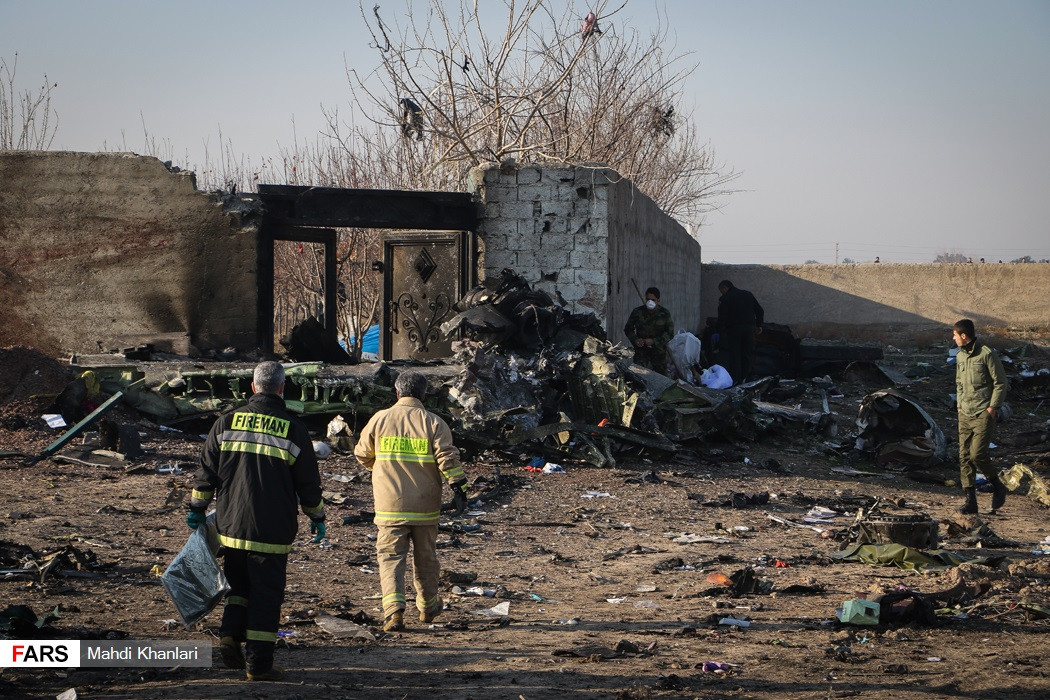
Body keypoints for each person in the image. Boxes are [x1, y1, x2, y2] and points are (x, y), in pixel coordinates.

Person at [187, 361, 325, 681]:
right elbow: (308, 484)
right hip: (272, 531)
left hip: (231, 526)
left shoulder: (226, 422)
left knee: (238, 586)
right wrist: (316, 516)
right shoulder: (293, 429)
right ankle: (258, 665)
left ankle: (229, 637)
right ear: (281, 388)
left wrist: (197, 508)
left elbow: (205, 471)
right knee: (266, 594)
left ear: (252, 387)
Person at [354, 370, 467, 632]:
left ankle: (394, 612)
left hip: (389, 505)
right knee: (426, 556)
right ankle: (428, 607)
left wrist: (381, 468)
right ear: (424, 394)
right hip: (426, 506)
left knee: (390, 557)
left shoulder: (380, 419)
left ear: (397, 392)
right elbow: (448, 459)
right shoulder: (434, 422)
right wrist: (459, 487)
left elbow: (362, 454)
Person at [953, 319, 1008, 514]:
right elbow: (959, 382)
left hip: (983, 412)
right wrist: (959, 404)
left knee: (977, 454)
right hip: (965, 412)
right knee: (964, 457)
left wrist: (993, 407)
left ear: (964, 336)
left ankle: (998, 485)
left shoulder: (987, 354)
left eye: (955, 335)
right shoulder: (960, 356)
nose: (953, 338)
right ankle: (971, 501)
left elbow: (1000, 382)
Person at [715, 280, 764, 384]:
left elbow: (722, 317)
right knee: (747, 354)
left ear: (725, 288)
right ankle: (746, 378)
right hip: (749, 330)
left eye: (721, 291)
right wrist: (759, 325)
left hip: (733, 331)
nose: (722, 293)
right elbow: (760, 310)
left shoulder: (725, 298)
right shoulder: (748, 295)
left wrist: (720, 331)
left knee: (735, 355)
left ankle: (736, 380)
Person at [623, 286, 675, 374]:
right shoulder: (637, 312)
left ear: (658, 300)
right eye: (648, 299)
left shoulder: (664, 314)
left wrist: (654, 341)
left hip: (659, 353)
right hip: (641, 352)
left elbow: (670, 333)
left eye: (653, 300)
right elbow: (628, 329)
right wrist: (636, 340)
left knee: (660, 379)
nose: (650, 302)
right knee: (638, 376)